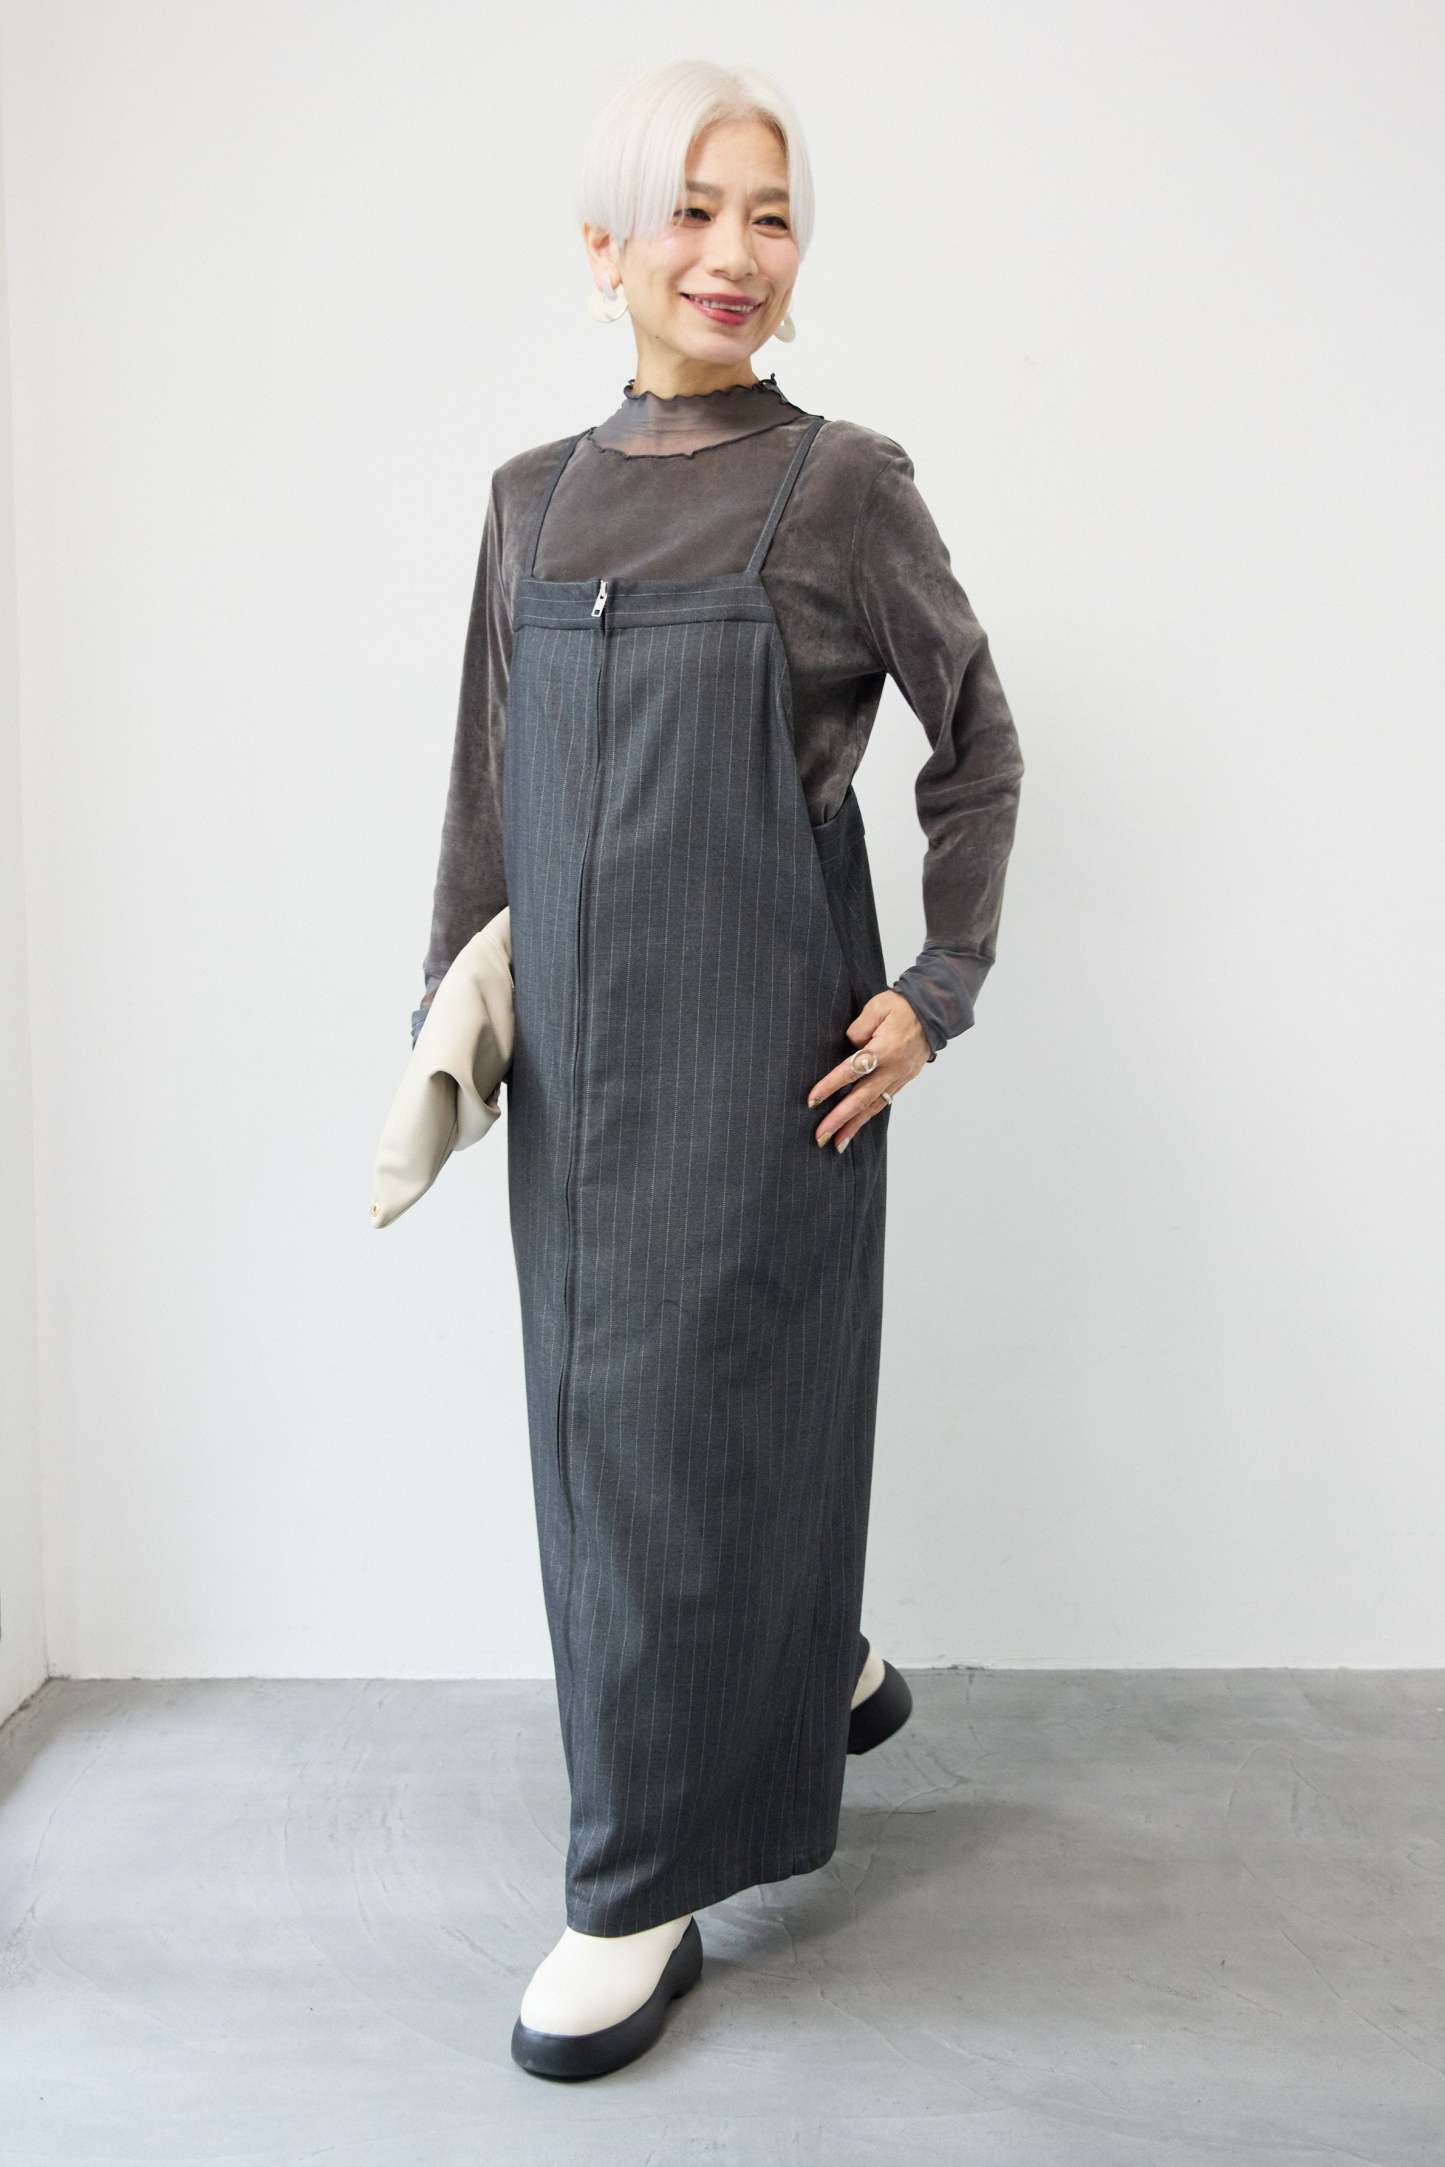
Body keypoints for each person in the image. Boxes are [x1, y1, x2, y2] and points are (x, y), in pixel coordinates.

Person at [409, 59, 1025, 2080]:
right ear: (606, 249)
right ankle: (808, 1658)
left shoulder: (839, 486)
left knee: (686, 1426)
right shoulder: (528, 501)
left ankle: (635, 1886)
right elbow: (488, 797)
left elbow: (977, 739)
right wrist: (444, 1026)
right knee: (609, 1440)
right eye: (690, 209)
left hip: (769, 1065)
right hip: (580, 1078)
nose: (734, 251)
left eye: (769, 213)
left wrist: (937, 985)